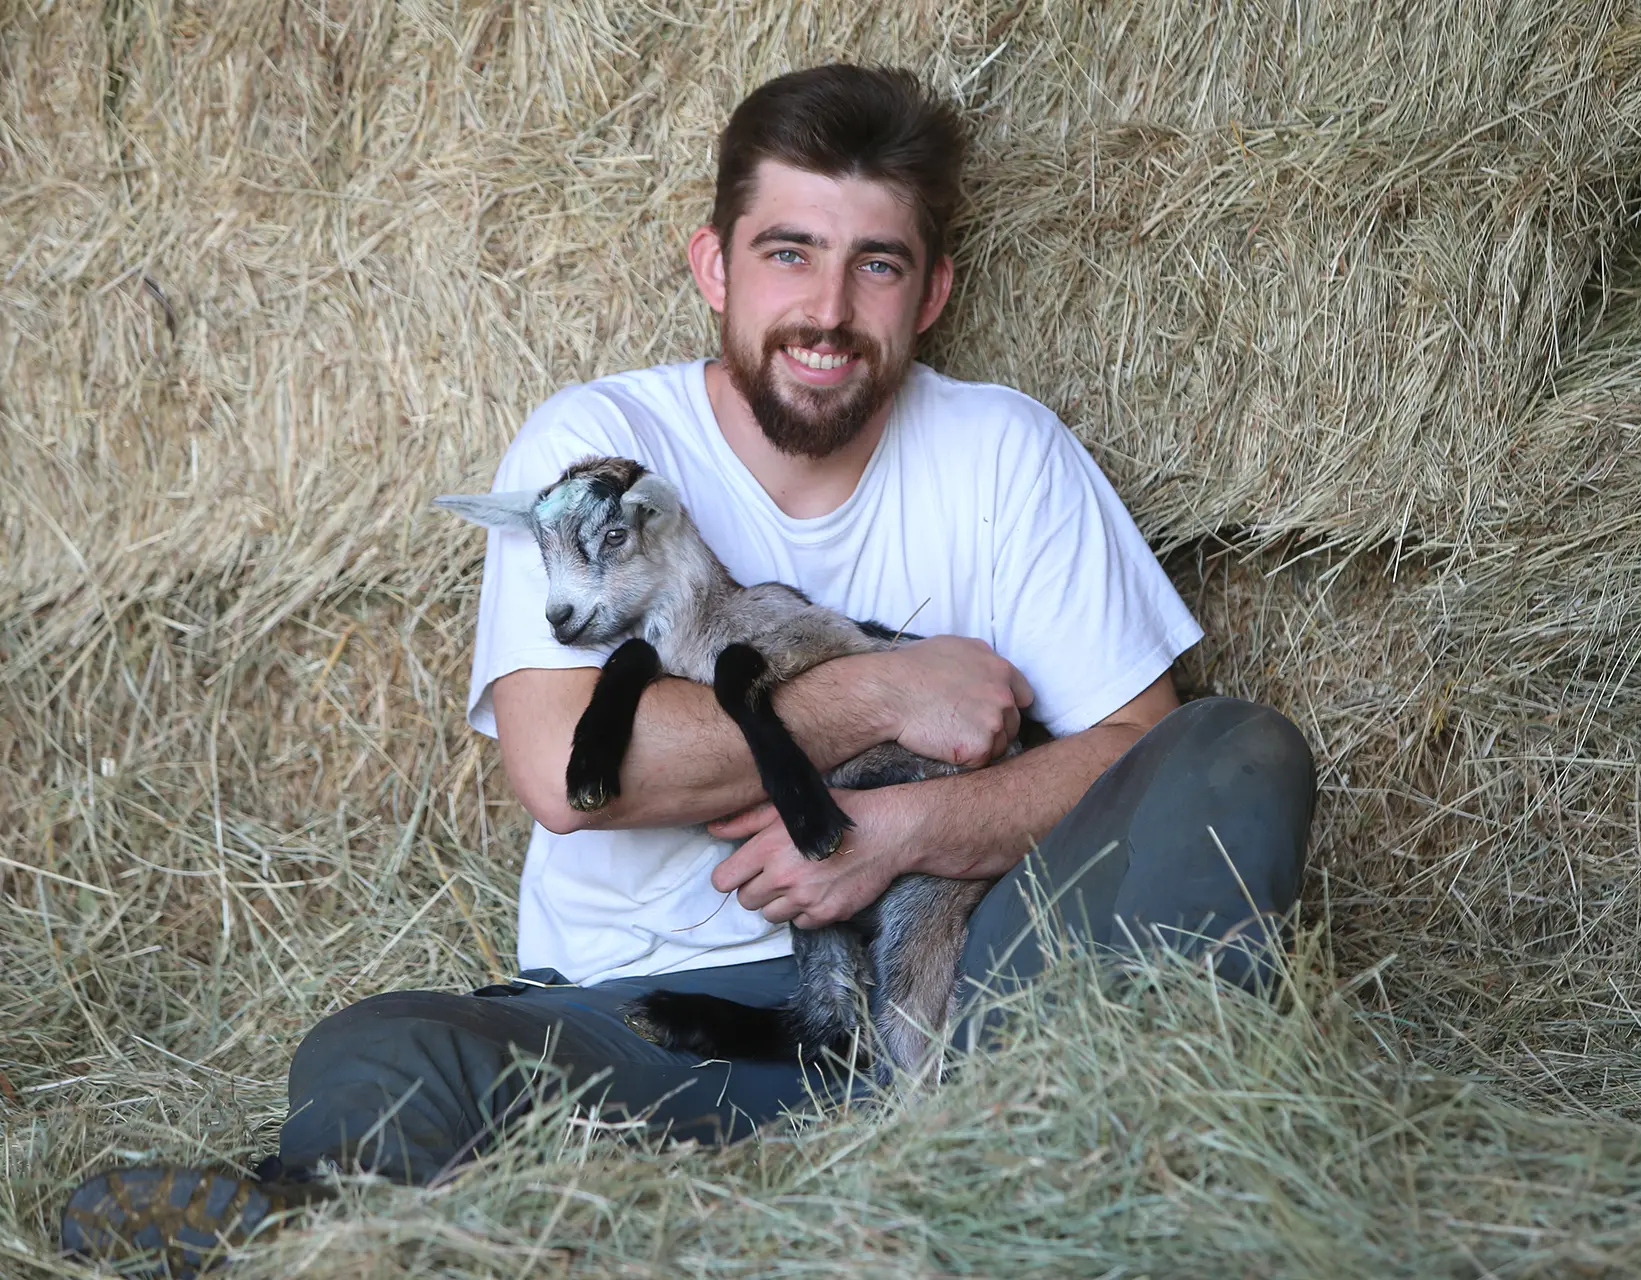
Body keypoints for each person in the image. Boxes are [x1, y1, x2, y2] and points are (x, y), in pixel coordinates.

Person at [61, 63, 1316, 1273]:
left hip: (953, 989)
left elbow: (1133, 761)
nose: (827, 309)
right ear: (713, 263)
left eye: (874, 263)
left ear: (930, 291)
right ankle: (315, 1228)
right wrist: (884, 689)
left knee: (1235, 755)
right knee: (393, 1043)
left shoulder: (1007, 453)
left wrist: (903, 828)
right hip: (658, 1022)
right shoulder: (598, 447)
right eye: (788, 252)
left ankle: (1101, 1162)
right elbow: (568, 772)